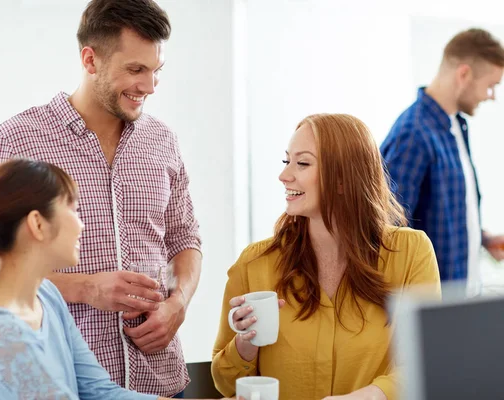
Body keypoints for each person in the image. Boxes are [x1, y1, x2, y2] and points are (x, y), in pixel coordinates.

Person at [0, 0, 201, 397]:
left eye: (156, 71)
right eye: (135, 69)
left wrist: (179, 303)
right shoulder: (15, 142)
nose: (150, 87)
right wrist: (85, 288)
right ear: (90, 60)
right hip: (61, 380)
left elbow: (185, 238)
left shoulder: (162, 141)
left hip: (160, 383)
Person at [0, 159, 231, 400]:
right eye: (73, 210)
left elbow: (98, 391)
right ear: (37, 224)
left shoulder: (46, 297)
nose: (81, 224)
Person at [211, 114, 441, 400]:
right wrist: (246, 344)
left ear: (344, 179)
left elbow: (423, 365)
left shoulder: (410, 253)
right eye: (287, 161)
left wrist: (365, 397)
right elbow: (225, 383)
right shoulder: (255, 264)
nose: (284, 175)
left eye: (303, 163)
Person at [381, 28, 504, 293]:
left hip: (463, 299)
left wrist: (481, 238)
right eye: (491, 86)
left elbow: (439, 210)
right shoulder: (412, 133)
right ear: (464, 74)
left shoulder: (455, 125)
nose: (491, 96)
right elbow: (388, 231)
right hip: (434, 310)